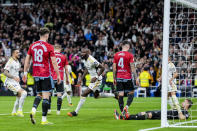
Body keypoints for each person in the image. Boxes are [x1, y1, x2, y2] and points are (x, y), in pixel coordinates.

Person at [23, 27, 61, 125]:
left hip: (36, 74)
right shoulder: (49, 46)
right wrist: (58, 75)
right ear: (46, 35)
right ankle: (44, 120)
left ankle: (33, 110)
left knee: (39, 94)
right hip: (45, 74)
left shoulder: (32, 45)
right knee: (46, 97)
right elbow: (54, 62)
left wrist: (25, 72)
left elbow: (27, 60)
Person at [67, 48, 105, 117]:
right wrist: (81, 78)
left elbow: (102, 67)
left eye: (83, 52)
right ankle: (114, 95)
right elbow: (87, 69)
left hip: (97, 79)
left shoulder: (92, 60)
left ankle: (75, 112)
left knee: (84, 94)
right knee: (97, 96)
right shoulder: (84, 59)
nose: (81, 54)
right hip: (93, 80)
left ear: (87, 53)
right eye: (81, 52)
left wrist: (96, 76)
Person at [113, 40, 135, 118]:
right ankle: (126, 107)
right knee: (131, 92)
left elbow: (114, 68)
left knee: (120, 94)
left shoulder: (116, 55)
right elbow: (132, 67)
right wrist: (136, 77)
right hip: (127, 77)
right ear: (127, 46)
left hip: (119, 77)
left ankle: (122, 112)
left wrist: (114, 78)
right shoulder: (130, 55)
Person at [114, 99, 193, 120]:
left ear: (188, 104)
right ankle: (124, 116)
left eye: (184, 102)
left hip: (164, 115)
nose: (182, 102)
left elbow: (182, 118)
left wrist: (179, 110)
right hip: (162, 111)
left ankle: (123, 117)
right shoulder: (179, 108)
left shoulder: (186, 113)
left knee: (148, 115)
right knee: (143, 113)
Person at [3, 49, 27, 117]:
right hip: (10, 83)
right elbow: (5, 72)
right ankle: (20, 111)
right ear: (13, 54)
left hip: (16, 83)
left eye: (19, 52)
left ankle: (14, 112)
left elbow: (15, 73)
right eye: (17, 53)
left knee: (19, 97)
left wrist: (20, 77)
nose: (19, 54)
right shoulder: (10, 61)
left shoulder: (18, 62)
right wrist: (14, 77)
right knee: (24, 93)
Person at [48, 44, 69, 115]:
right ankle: (58, 111)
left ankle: (49, 110)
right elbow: (66, 69)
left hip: (51, 77)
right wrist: (67, 79)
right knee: (59, 94)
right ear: (60, 49)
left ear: (54, 48)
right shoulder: (63, 56)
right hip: (60, 78)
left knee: (48, 94)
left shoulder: (51, 56)